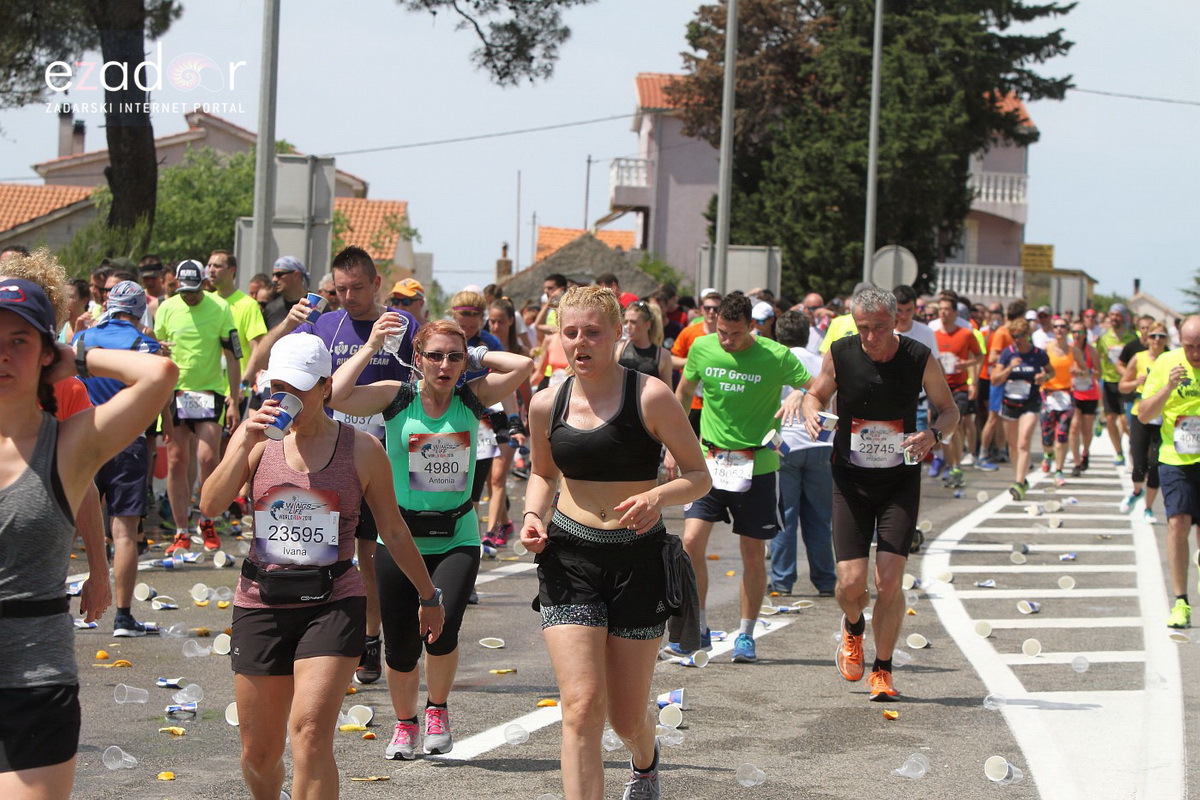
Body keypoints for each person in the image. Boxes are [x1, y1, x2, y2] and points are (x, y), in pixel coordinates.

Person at [200, 333, 444, 799]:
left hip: (332, 602)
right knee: (258, 755)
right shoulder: (256, 440)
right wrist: (243, 441)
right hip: (262, 602)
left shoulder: (362, 449)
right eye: (278, 387)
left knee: (310, 733)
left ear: (326, 387)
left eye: (298, 388)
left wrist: (429, 596)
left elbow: (393, 530)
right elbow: (210, 506)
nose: (285, 398)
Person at [518, 286, 709, 800]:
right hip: (570, 558)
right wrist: (532, 515)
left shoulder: (651, 396)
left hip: (638, 560)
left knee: (625, 716)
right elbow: (542, 473)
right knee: (581, 706)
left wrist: (657, 496)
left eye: (592, 332)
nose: (580, 342)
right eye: (570, 332)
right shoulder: (546, 403)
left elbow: (699, 476)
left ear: (618, 334)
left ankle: (645, 761)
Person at [0, 276, 176, 798]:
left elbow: (160, 374)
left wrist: (76, 355)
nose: (4, 354)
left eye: (19, 341)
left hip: (33, 684)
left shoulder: (68, 444)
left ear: (45, 353)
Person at [328, 316, 532, 760]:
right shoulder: (397, 396)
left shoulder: (470, 398)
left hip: (456, 537)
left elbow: (523, 366)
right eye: (435, 356)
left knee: (442, 632)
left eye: (454, 357)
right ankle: (405, 724)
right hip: (399, 538)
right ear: (417, 359)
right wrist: (372, 346)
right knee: (401, 644)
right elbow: (337, 394)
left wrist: (476, 354)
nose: (445, 365)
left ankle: (437, 710)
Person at [248, 246, 420, 685]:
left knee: (375, 552)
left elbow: (422, 378)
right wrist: (287, 324)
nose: (348, 297)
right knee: (327, 550)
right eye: (340, 289)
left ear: (376, 284)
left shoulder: (401, 324)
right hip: (330, 451)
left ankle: (371, 635)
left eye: (357, 288)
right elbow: (262, 363)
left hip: (382, 452)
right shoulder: (324, 325)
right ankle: (327, 633)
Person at [802, 286, 958, 701]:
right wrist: (811, 410)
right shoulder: (841, 352)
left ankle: (883, 669)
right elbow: (816, 393)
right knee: (851, 583)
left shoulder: (918, 357)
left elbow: (949, 410)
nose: (871, 337)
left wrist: (933, 435)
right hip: (850, 481)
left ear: (897, 322)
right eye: (864, 328)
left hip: (898, 482)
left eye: (880, 328)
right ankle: (853, 626)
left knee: (888, 581)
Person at [666, 292, 812, 663]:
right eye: (721, 332)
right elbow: (683, 394)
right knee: (690, 542)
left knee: (752, 552)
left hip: (757, 466)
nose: (727, 340)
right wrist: (671, 443)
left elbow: (816, 385)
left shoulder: (776, 355)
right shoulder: (703, 348)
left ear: (752, 327)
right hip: (709, 462)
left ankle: (746, 634)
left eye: (735, 333)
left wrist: (799, 394)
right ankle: (698, 628)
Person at [73, 281, 166, 638]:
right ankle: (123, 618)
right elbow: (157, 397)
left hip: (84, 436)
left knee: (70, 524)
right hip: (128, 441)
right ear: (141, 309)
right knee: (124, 530)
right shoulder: (145, 344)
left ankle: (54, 607)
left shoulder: (82, 339)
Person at [155, 259, 242, 554]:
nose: (190, 296)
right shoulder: (167, 308)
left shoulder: (220, 307)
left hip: (210, 391)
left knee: (207, 457)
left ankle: (207, 519)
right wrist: (159, 350)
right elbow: (156, 349)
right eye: (185, 291)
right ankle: (181, 530)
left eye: (194, 291)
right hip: (176, 391)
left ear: (204, 284)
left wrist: (234, 398)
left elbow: (233, 356)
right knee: (177, 460)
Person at [1138, 316, 1200, 628]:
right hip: (1176, 457)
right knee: (1177, 523)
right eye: (1190, 347)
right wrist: (1168, 387)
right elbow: (1144, 413)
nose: (1195, 353)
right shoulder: (1166, 363)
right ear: (1179, 340)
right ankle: (1181, 602)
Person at [769, 311, 836, 597]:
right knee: (819, 518)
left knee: (785, 517)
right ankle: (826, 580)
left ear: (778, 335)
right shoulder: (820, 362)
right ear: (807, 335)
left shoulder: (775, 359)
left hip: (785, 445)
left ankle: (782, 581)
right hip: (821, 442)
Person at [484, 297, 533, 543]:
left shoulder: (518, 353)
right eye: (491, 321)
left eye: (500, 321)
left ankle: (490, 533)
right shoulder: (482, 347)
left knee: (497, 477)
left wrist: (527, 418)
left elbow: (525, 390)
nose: (495, 326)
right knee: (488, 480)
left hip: (509, 417)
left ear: (511, 321)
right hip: (484, 416)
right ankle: (504, 523)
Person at [992, 317, 1054, 500]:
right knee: (1012, 446)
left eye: (1020, 336)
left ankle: (1019, 482)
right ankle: (1020, 478)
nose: (1017, 340)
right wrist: (1009, 368)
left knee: (1023, 442)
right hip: (1010, 403)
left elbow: (1051, 371)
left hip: (1031, 402)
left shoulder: (1038, 354)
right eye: (1014, 336)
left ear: (1027, 335)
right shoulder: (1007, 353)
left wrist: (1044, 377)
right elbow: (995, 379)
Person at [931, 292, 983, 488]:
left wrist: (966, 367)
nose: (943, 313)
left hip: (959, 387)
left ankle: (956, 466)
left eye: (947, 309)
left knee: (955, 425)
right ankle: (951, 464)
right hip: (939, 387)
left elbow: (979, 357)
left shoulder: (966, 334)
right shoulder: (933, 334)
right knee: (942, 428)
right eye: (940, 310)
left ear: (954, 312)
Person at [1120, 320, 1169, 522]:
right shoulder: (1138, 358)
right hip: (1141, 413)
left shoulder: (1171, 358)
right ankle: (1136, 490)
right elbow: (1122, 386)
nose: (1157, 340)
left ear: (1167, 339)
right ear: (1146, 338)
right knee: (1139, 461)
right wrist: (1135, 382)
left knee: (1155, 464)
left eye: (1161, 336)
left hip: (1164, 417)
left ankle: (1148, 508)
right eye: (1153, 336)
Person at [207, 250, 268, 394]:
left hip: (235, 392)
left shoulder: (248, 305)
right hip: (207, 390)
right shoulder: (206, 302)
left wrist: (242, 385)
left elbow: (257, 350)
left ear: (232, 270)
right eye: (209, 266)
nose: (211, 270)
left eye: (217, 266)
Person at [671, 290, 722, 435]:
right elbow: (672, 359)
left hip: (717, 403)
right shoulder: (689, 332)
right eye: (708, 308)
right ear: (701, 309)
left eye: (716, 309)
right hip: (692, 401)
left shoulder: (727, 336)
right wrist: (693, 362)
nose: (711, 312)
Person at [1039, 316, 1080, 486]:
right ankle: (1048, 454)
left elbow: (1086, 370)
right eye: (1056, 327)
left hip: (1066, 395)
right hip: (1048, 394)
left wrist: (1079, 372)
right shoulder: (1045, 349)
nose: (1059, 329)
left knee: (1062, 433)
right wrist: (1041, 376)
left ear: (1067, 330)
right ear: (1052, 329)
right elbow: (1039, 370)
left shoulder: (1073, 350)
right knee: (1046, 436)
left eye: (1063, 326)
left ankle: (1059, 471)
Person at [1097, 304, 1137, 466]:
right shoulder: (1104, 338)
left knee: (1125, 421)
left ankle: (1137, 445)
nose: (1114, 318)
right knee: (1110, 419)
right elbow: (1098, 356)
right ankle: (1119, 452)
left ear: (1124, 317)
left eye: (1117, 315)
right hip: (1109, 382)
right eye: (1112, 315)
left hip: (1127, 383)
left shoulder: (1132, 337)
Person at [1067, 320, 1102, 476]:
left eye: (1080, 332)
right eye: (1074, 332)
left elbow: (1099, 373)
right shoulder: (1068, 350)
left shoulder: (1091, 351)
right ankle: (1076, 462)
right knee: (1074, 427)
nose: (1077, 335)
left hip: (1089, 393)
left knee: (1087, 430)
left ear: (1085, 335)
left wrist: (1085, 372)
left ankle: (1085, 452)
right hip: (1073, 392)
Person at [618, 299, 672, 385]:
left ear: (647, 324)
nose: (628, 326)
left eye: (633, 322)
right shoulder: (621, 348)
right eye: (626, 321)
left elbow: (668, 389)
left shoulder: (662, 355)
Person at [262, 255, 309, 330]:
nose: (274, 280)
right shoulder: (271, 309)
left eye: (279, 275)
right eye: (273, 275)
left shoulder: (316, 305)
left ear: (296, 275)